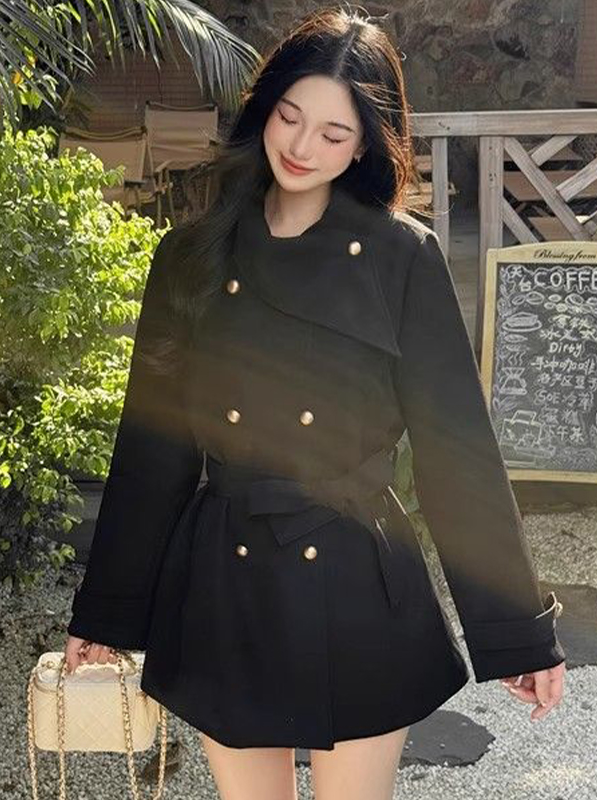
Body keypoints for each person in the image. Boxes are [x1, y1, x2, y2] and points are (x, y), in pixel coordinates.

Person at [63, 6, 566, 800]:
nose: (302, 147)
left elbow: (457, 451)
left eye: (334, 134)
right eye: (290, 117)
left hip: (356, 575)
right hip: (228, 577)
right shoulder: (192, 254)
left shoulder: (402, 257)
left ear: (365, 144)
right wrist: (106, 613)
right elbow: (154, 449)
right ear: (265, 108)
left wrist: (518, 635)